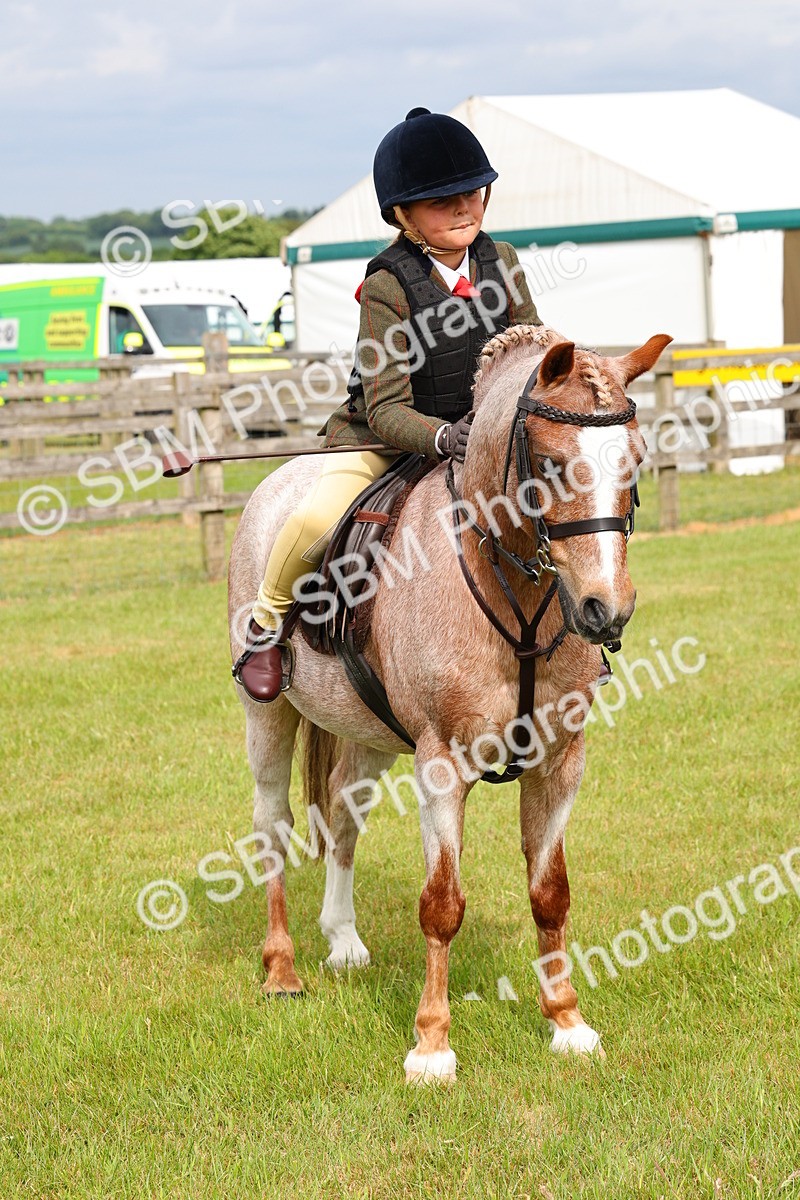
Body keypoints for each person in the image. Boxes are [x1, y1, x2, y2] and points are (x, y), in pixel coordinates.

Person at [232, 106, 542, 702]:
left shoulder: (501, 262)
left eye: (472, 193)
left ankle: (571, 641)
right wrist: (445, 438)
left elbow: (531, 349)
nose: (463, 208)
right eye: (440, 201)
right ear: (403, 215)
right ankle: (266, 627)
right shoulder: (387, 285)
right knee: (315, 519)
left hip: (486, 438)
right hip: (387, 438)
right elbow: (386, 407)